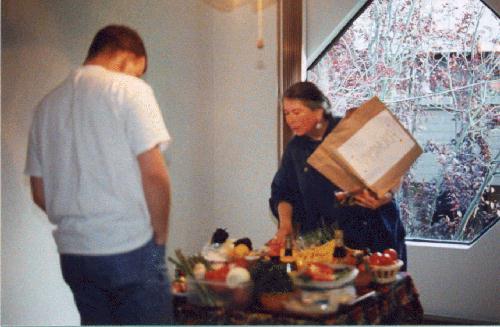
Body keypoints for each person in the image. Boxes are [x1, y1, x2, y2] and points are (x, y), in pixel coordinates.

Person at [25, 25, 173, 324]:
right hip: (128, 247)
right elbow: (155, 176)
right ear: (124, 58)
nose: (137, 79)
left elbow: (40, 193)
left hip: (74, 255)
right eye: (137, 71)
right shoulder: (130, 91)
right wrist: (159, 237)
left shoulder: (46, 107)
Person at [269, 81, 407, 267]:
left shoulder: (350, 129)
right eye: (286, 113)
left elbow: (394, 168)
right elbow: (284, 191)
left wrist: (387, 195)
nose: (290, 119)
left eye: (296, 112)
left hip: (373, 234)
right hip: (324, 242)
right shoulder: (296, 147)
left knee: (379, 290)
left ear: (318, 111)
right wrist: (285, 224)